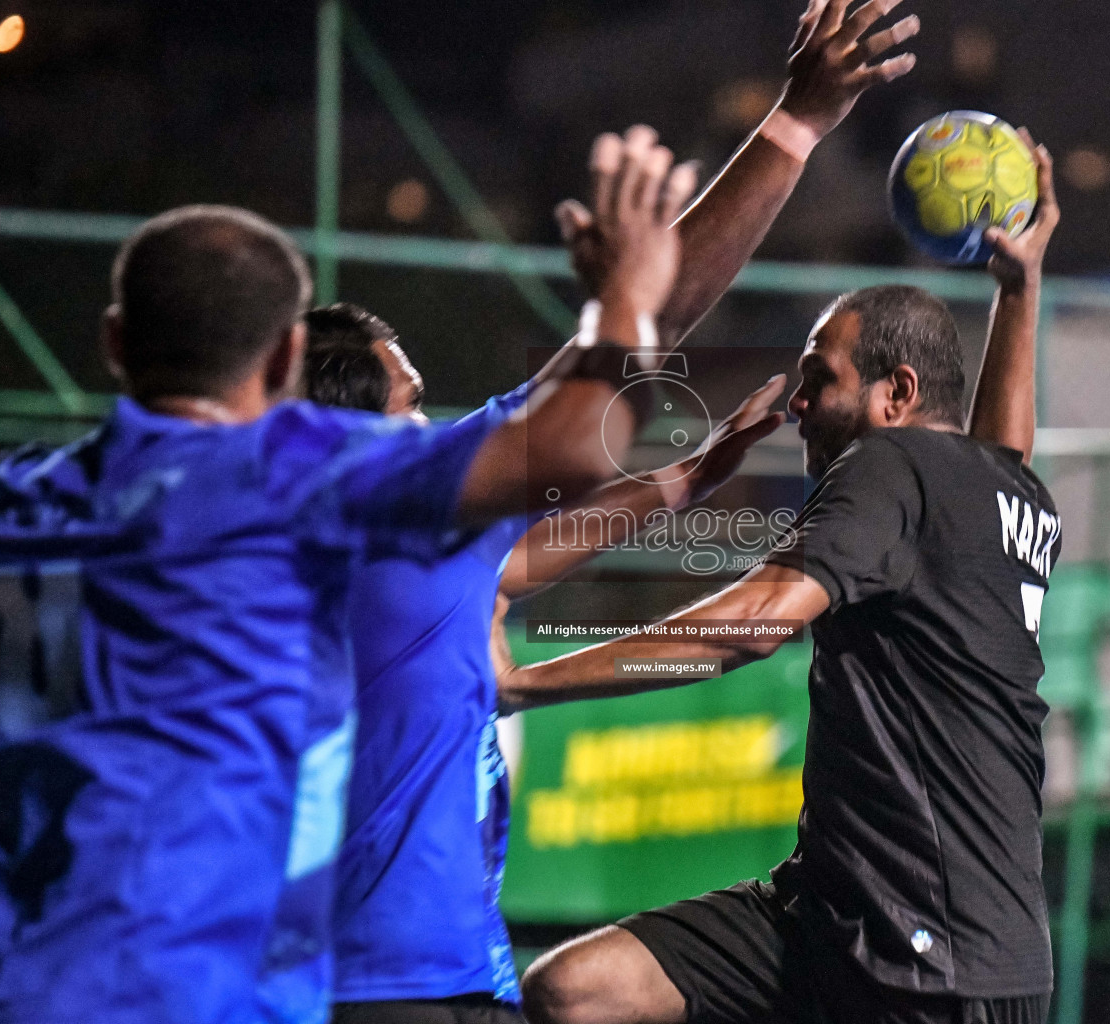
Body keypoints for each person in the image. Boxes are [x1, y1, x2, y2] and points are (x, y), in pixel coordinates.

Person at [0, 128, 695, 1024]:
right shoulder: (305, 480)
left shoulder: (8, 499)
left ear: (115, 343)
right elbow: (565, 440)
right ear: (280, 366)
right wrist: (623, 297)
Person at [303, 4, 922, 1021]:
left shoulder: (339, 548)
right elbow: (639, 350)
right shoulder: (396, 521)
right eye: (412, 409)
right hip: (392, 995)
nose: (434, 426)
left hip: (438, 975)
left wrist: (677, 485)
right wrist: (797, 125)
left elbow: (517, 563)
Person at [505, 138, 1064, 1024]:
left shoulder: (892, 468)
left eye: (819, 380)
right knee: (577, 990)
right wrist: (1020, 286)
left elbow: (754, 623)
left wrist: (524, 683)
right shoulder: (1002, 491)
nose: (796, 406)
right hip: (837, 914)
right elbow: (1003, 448)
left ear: (896, 394)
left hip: (931, 958)